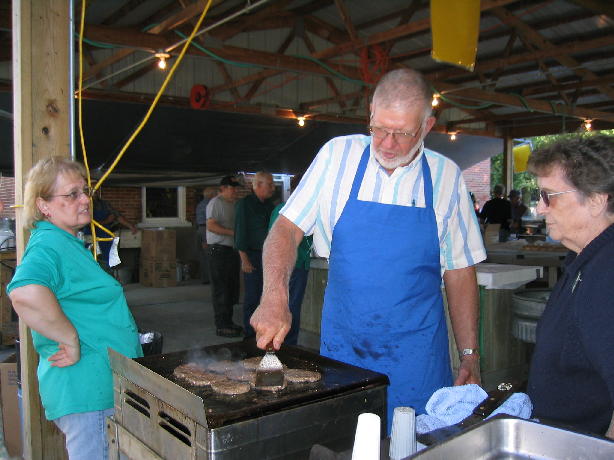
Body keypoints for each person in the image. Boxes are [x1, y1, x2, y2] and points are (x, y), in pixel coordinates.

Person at [251, 69, 486, 428]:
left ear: (426, 126)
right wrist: (274, 297)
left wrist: (469, 354)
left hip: (417, 355)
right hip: (346, 349)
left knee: (416, 445)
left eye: (402, 133)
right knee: (346, 440)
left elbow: (460, 268)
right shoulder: (337, 156)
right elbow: (286, 228)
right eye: (379, 129)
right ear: (371, 114)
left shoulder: (446, 177)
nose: (387, 144)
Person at [7, 157, 142, 460]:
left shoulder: (66, 242)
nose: (84, 200)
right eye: (72, 194)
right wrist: (68, 337)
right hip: (85, 390)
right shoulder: (48, 245)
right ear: (44, 205)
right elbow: (25, 292)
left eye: (85, 191)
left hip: (98, 385)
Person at [525, 135, 614, 439]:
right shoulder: (584, 258)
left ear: (596, 199)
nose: (539, 208)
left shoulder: (608, 274)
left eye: (550, 195)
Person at [268, 174, 313, 346]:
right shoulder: (287, 210)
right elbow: (279, 242)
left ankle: (286, 344)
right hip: (292, 267)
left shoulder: (287, 209)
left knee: (292, 306)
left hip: (299, 265)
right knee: (288, 308)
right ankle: (286, 345)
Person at [234, 171, 275, 339]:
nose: (273, 188)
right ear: (257, 185)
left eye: (273, 184)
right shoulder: (245, 204)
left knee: (265, 297)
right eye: (270, 184)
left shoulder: (270, 205)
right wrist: (244, 259)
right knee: (252, 296)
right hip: (251, 255)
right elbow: (240, 232)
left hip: (268, 257)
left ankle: (263, 331)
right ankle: (249, 334)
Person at [206, 176, 242, 338]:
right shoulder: (216, 203)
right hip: (219, 251)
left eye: (236, 188)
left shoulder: (233, 204)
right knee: (221, 288)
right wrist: (233, 233)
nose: (235, 191)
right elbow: (211, 225)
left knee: (231, 287)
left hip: (232, 250)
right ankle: (221, 325)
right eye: (232, 188)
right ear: (223, 188)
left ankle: (228, 321)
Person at [82, 192, 138, 273]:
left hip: (105, 235)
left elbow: (116, 215)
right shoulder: (83, 205)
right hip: (90, 235)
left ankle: (107, 273)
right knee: (90, 257)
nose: (94, 194)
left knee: (107, 258)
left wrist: (131, 226)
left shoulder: (104, 204)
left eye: (95, 192)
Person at [196, 186, 219, 284]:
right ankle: (210, 278)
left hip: (200, 229)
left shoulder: (200, 204)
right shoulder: (210, 204)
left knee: (203, 255)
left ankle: (205, 278)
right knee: (209, 255)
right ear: (212, 195)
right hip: (206, 229)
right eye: (215, 193)